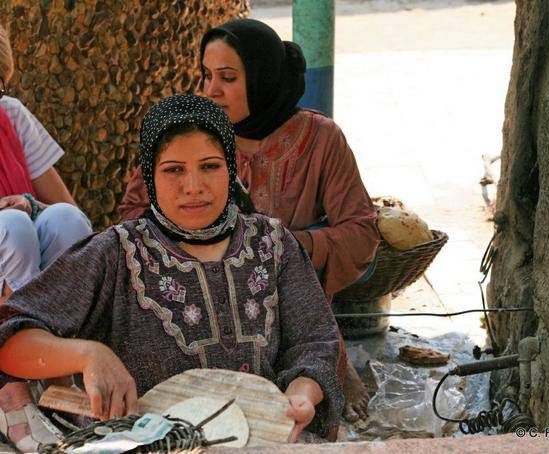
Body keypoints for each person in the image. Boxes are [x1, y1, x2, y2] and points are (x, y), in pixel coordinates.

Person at [0, 94, 344, 444]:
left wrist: (303, 393)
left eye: (209, 166)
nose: (193, 186)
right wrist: (89, 355)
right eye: (174, 170)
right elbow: (10, 343)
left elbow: (314, 343)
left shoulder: (273, 244)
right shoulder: (118, 253)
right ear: (150, 175)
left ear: (232, 168)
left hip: (266, 442)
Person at [118, 18, 380, 422]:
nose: (211, 90)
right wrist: (192, 238)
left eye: (228, 77)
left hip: (283, 295)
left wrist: (291, 246)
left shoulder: (321, 139)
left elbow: (362, 231)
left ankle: (324, 365)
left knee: (294, 404)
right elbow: (134, 213)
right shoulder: (193, 131)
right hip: (192, 287)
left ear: (263, 76)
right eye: (206, 75)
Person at [0, 24, 92, 452]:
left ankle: (58, 374)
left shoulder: (10, 114)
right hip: (10, 247)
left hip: (16, 261)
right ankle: (11, 387)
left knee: (66, 221)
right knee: (14, 229)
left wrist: (30, 204)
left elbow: (65, 203)